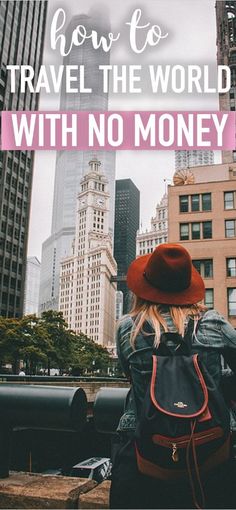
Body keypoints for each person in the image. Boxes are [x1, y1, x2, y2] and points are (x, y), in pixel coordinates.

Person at [110, 243, 236, 509]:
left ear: (146, 287)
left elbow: (130, 377)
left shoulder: (127, 329)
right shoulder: (214, 323)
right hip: (211, 447)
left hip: (144, 448)